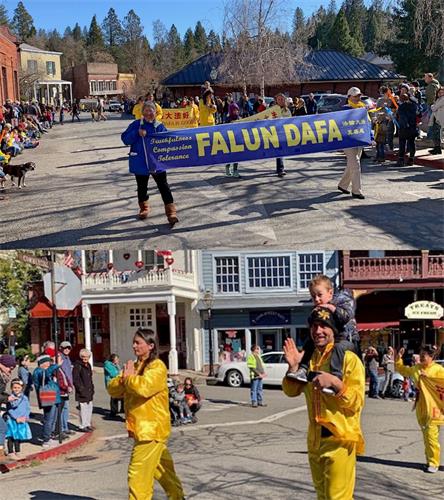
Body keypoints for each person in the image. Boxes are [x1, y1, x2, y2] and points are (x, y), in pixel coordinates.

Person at [282, 308, 365, 500]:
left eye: (323, 326)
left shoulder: (348, 359)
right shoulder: (309, 359)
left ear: (333, 329)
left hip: (340, 439)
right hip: (315, 441)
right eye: (314, 326)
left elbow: (357, 402)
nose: (318, 331)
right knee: (322, 496)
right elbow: (291, 391)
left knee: (337, 498)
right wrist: (293, 367)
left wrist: (336, 384)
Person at [107, 328, 185, 500]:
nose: (134, 346)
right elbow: (112, 389)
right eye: (134, 342)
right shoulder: (133, 366)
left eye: (138, 343)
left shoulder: (157, 366)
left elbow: (144, 388)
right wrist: (124, 379)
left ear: (150, 345)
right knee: (164, 472)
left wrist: (128, 379)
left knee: (137, 476)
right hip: (141, 430)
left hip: (151, 430)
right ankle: (178, 497)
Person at [288, 275, 359, 395]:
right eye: (313, 296)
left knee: (338, 348)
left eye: (319, 295)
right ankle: (303, 369)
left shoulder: (341, 301)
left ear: (330, 293)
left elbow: (346, 316)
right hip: (315, 411)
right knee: (309, 343)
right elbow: (291, 392)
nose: (316, 299)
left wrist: (331, 308)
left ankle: (336, 376)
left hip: (347, 339)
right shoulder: (318, 309)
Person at [121, 102, 179, 227]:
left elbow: (167, 141)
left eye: (151, 110)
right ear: (142, 112)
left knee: (164, 186)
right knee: (142, 187)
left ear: (155, 112)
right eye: (146, 110)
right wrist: (137, 133)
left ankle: (171, 212)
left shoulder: (159, 126)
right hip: (140, 162)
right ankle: (144, 208)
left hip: (156, 162)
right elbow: (125, 139)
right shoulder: (136, 125)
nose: (149, 113)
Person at [396, 346, 444, 473]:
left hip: (434, 407)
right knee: (426, 435)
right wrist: (398, 358)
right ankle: (429, 460)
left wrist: (428, 377)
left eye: (424, 356)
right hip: (421, 405)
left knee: (431, 435)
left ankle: (434, 463)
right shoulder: (416, 368)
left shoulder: (438, 370)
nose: (421, 357)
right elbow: (403, 370)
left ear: (431, 357)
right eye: (420, 355)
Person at [338, 87, 368, 199]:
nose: (357, 98)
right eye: (355, 96)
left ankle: (342, 185)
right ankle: (356, 191)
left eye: (359, 96)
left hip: (359, 139)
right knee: (355, 164)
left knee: (352, 164)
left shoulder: (362, 108)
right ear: (349, 97)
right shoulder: (345, 109)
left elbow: (366, 124)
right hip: (348, 141)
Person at [33, 353, 63, 448]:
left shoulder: (45, 370)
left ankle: (49, 436)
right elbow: (45, 374)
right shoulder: (39, 371)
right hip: (48, 398)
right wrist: (56, 365)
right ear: (42, 362)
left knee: (53, 419)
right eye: (47, 362)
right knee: (48, 419)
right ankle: (46, 440)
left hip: (54, 397)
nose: (49, 364)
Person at [5, 378, 32, 458]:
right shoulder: (10, 398)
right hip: (13, 420)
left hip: (22, 419)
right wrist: (16, 418)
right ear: (11, 388)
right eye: (14, 388)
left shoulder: (25, 398)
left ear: (22, 388)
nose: (16, 389)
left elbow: (27, 408)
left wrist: (26, 416)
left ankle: (17, 451)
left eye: (18, 388)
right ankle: (10, 451)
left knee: (18, 436)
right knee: (11, 436)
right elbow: (10, 409)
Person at [72, 349, 94, 433]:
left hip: (89, 390)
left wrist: (92, 389)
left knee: (89, 408)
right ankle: (82, 425)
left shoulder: (88, 365)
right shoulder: (77, 365)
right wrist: (81, 389)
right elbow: (75, 379)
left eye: (87, 356)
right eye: (83, 356)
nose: (85, 358)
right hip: (82, 391)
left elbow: (90, 379)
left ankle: (87, 424)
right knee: (83, 408)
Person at [0, 355, 16, 462]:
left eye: (12, 367)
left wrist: (8, 396)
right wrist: (7, 398)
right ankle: (0, 453)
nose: (10, 369)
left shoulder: (3, 376)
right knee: (2, 428)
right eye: (9, 367)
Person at [396, 93, 418, 166]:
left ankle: (401, 159)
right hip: (413, 127)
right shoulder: (414, 106)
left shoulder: (401, 107)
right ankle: (411, 159)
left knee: (402, 143)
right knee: (411, 143)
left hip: (404, 128)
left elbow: (402, 117)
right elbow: (419, 114)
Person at [58, 341, 75, 437]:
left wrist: (71, 385)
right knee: (61, 408)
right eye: (65, 348)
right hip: (62, 387)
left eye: (69, 348)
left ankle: (65, 427)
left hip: (68, 386)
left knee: (66, 408)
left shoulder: (67, 358)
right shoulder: (60, 357)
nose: (67, 350)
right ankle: (61, 429)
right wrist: (66, 386)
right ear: (61, 348)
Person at [274, 93, 292, 177]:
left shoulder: (287, 110)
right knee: (277, 151)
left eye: (282, 99)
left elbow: (289, 121)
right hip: (274, 133)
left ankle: (280, 169)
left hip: (282, 133)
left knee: (280, 151)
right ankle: (280, 169)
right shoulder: (272, 110)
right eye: (279, 99)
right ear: (276, 101)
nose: (280, 101)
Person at [104, 353, 124, 419]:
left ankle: (122, 409)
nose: (118, 360)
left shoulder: (116, 365)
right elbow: (113, 373)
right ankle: (113, 412)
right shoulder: (107, 364)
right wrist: (120, 372)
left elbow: (120, 371)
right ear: (112, 359)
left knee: (122, 395)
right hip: (111, 383)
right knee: (114, 397)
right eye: (117, 359)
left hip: (118, 382)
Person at [430, 86, 444, 155]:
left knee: (438, 134)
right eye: (439, 92)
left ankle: (437, 148)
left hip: (440, 119)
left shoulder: (443, 99)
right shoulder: (438, 99)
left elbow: (434, 108)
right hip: (435, 119)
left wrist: (432, 106)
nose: (440, 94)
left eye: (442, 92)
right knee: (435, 135)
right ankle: (437, 148)